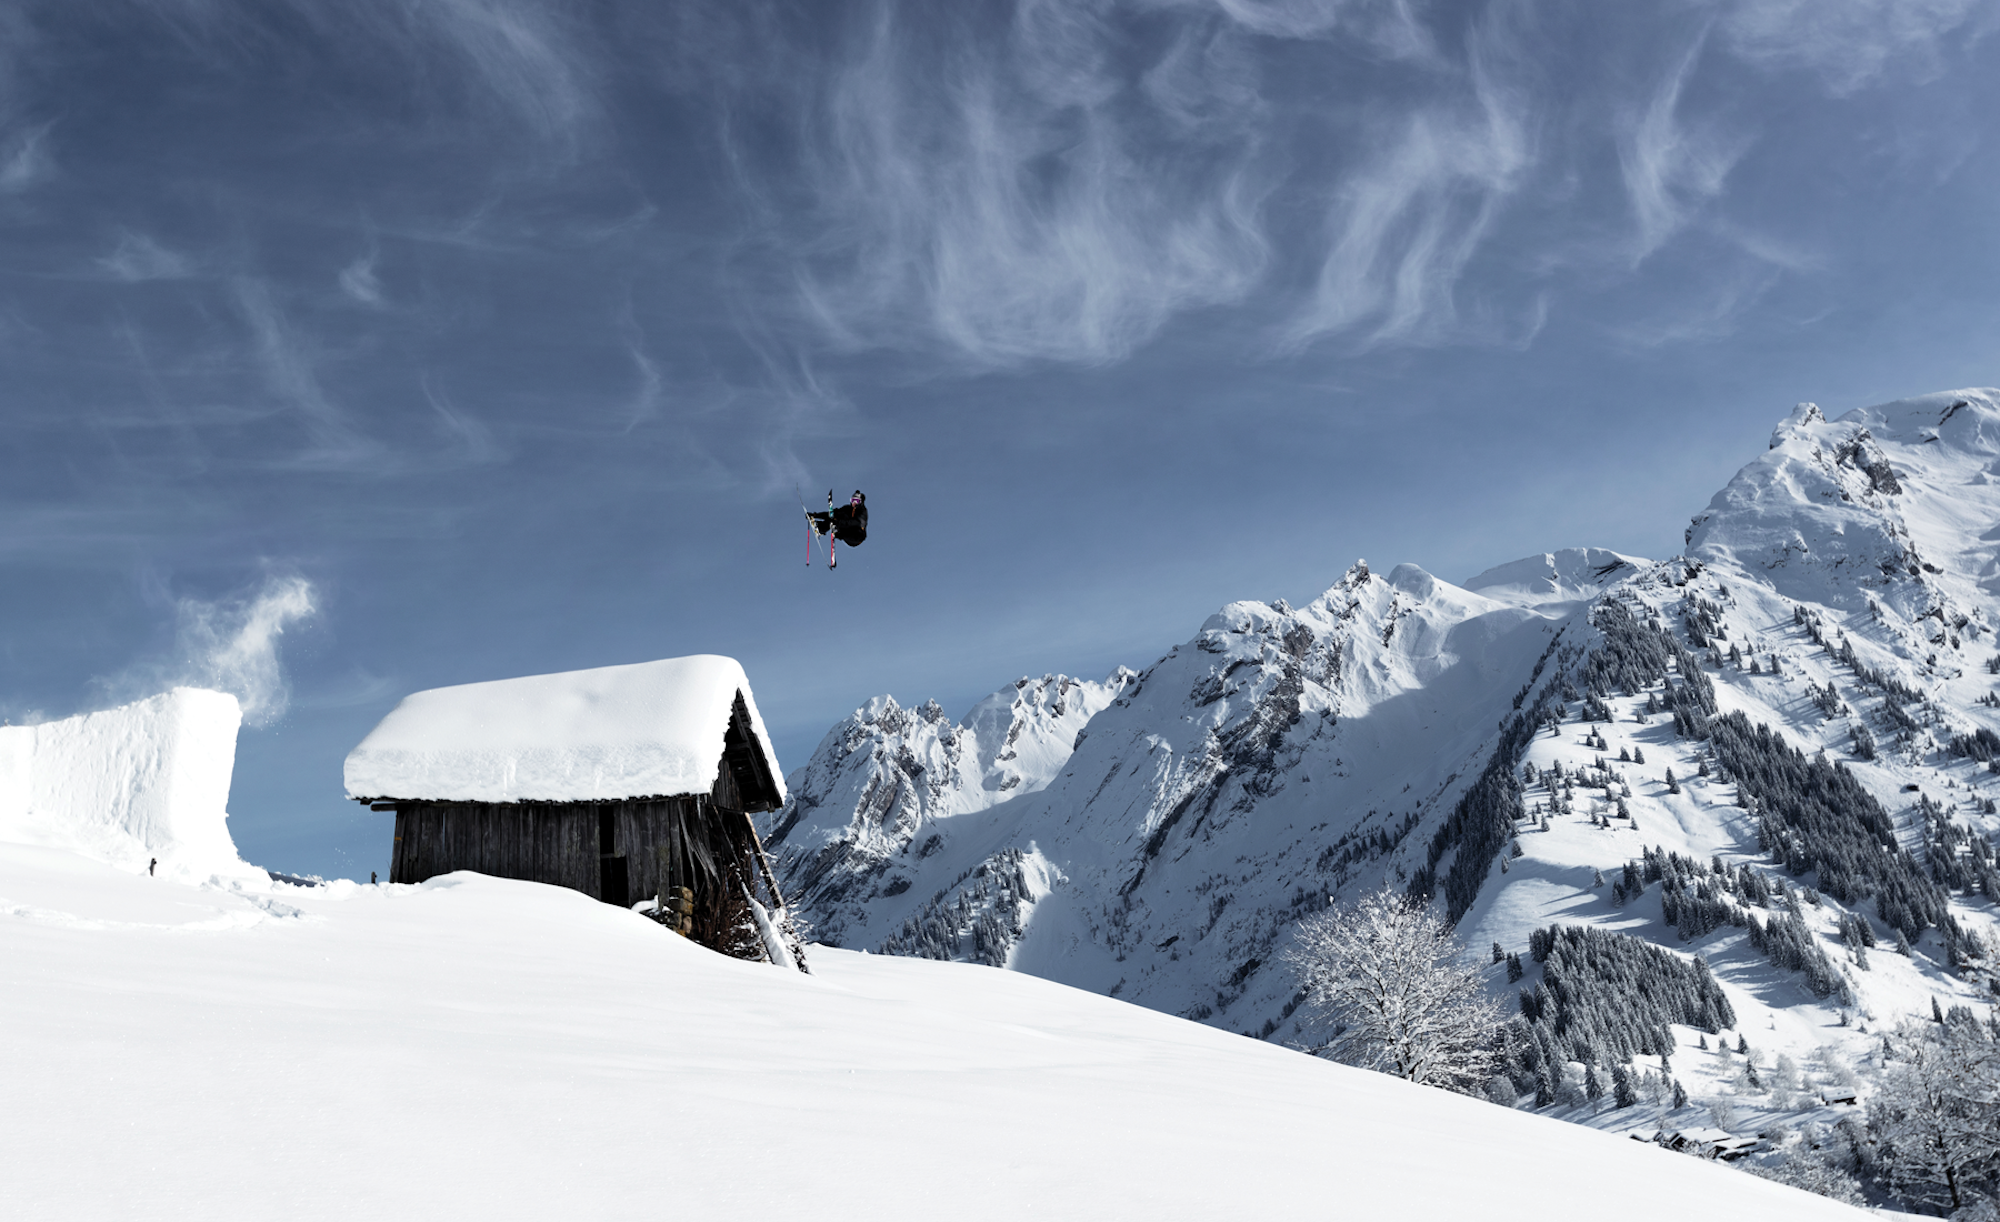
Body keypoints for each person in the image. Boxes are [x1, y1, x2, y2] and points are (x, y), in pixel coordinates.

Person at [808, 491, 867, 567]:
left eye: (857, 501)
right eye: (852, 500)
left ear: (861, 502)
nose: (854, 503)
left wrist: (838, 522)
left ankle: (837, 531)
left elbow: (855, 523)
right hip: (846, 532)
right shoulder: (847, 509)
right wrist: (815, 515)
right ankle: (820, 529)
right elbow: (832, 515)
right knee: (835, 517)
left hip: (856, 536)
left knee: (838, 520)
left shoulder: (862, 512)